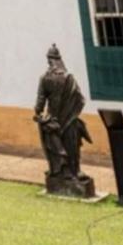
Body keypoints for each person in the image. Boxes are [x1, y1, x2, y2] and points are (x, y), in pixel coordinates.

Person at [33, 44, 94, 196]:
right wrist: (71, 113)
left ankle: (61, 172)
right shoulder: (69, 77)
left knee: (56, 148)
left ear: (49, 61)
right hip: (69, 120)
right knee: (72, 147)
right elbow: (80, 99)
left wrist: (39, 113)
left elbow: (39, 103)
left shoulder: (45, 78)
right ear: (59, 60)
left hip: (53, 120)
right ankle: (74, 172)